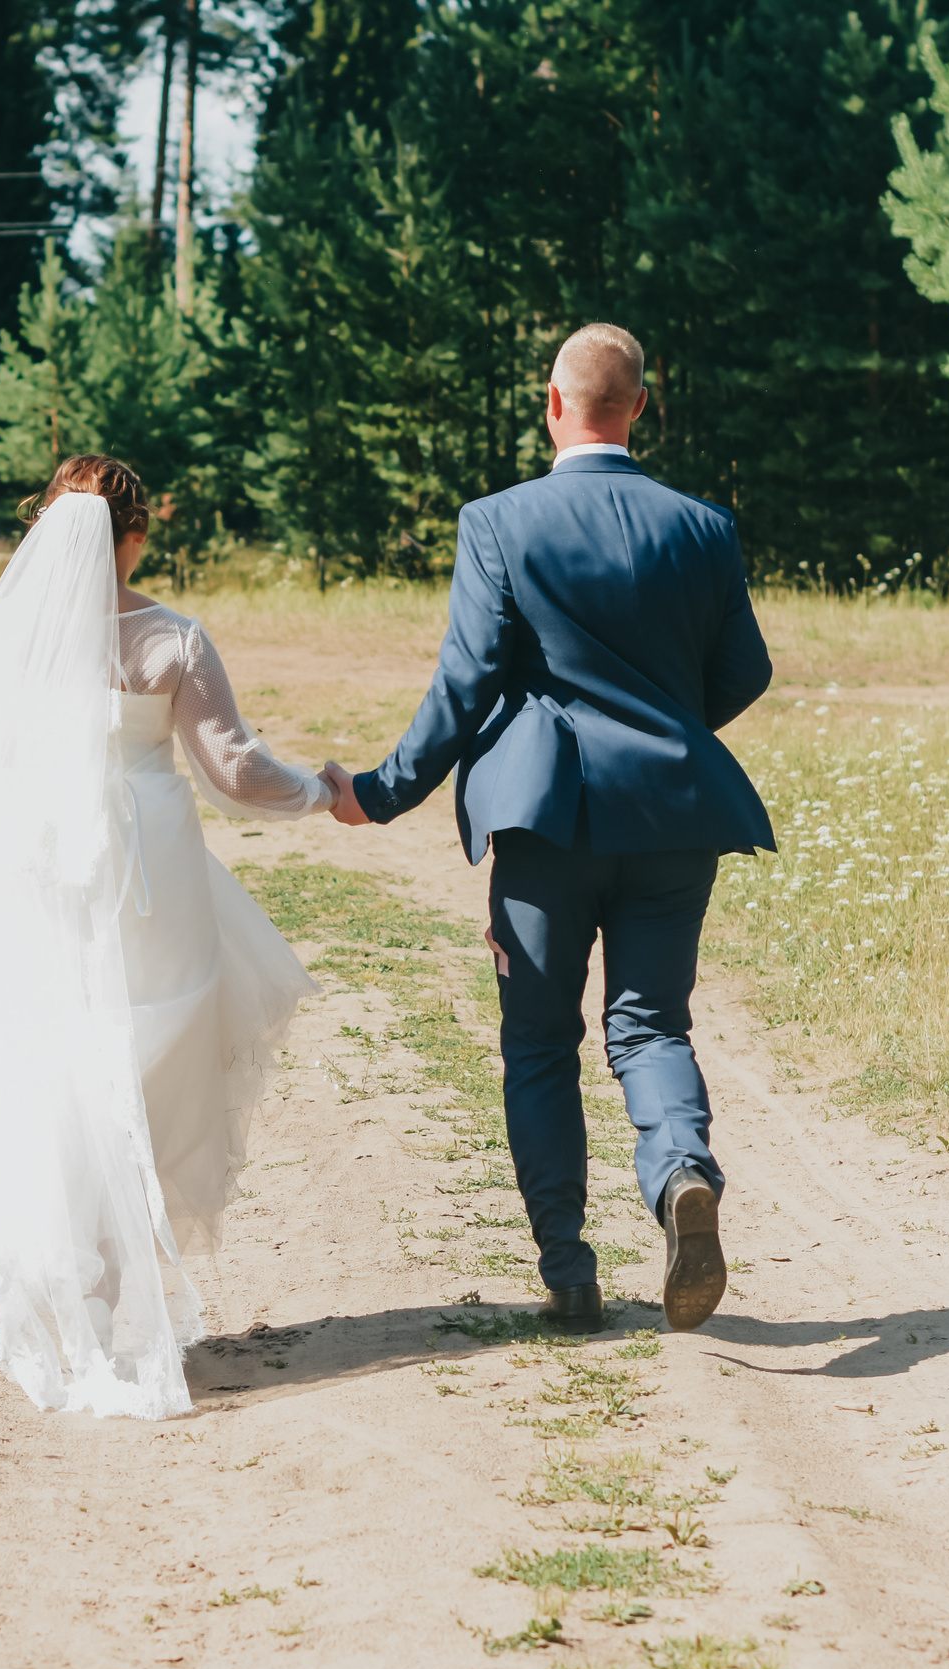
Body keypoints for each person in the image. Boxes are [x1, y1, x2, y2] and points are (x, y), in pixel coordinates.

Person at [321, 324, 775, 1334]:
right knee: (650, 1024)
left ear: (552, 403)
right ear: (640, 407)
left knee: (537, 1040)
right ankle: (680, 1175)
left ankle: (568, 1269)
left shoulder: (499, 521)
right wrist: (664, 726)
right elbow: (744, 673)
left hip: (546, 827)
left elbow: (465, 681)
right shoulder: (702, 525)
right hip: (671, 818)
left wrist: (379, 790)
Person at [0, 456, 330, 1420]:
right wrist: (323, 790)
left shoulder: (6, 635)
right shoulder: (171, 641)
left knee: (43, 1056)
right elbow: (235, 770)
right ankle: (106, 1281)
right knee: (148, 1059)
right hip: (148, 883)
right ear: (138, 534)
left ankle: (30, 1271)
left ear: (46, 532)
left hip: (42, 873)